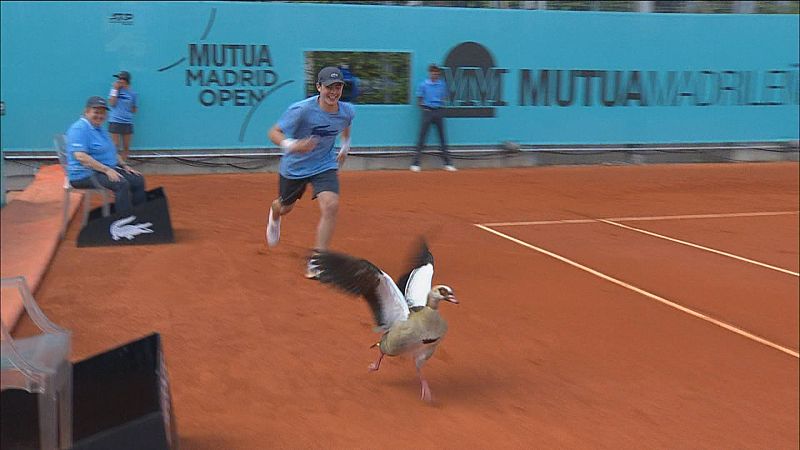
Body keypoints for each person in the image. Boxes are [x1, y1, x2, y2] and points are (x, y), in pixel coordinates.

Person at [265, 66, 355, 278]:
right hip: (295, 167)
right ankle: (275, 213)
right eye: (329, 87)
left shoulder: (347, 110)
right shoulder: (301, 110)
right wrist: (293, 145)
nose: (334, 92)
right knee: (285, 207)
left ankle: (317, 262)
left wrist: (345, 147)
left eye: (338, 87)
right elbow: (274, 132)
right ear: (319, 87)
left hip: (324, 165)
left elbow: (346, 124)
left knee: (331, 205)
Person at [66, 96, 146, 215]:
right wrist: (107, 170)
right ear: (86, 111)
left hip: (101, 170)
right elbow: (81, 156)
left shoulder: (99, 128)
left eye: (102, 113)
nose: (100, 116)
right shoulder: (79, 129)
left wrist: (124, 165)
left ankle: (139, 216)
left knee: (137, 179)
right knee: (121, 183)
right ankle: (124, 221)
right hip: (83, 175)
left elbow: (112, 151)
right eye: (96, 112)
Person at [411, 64, 456, 172]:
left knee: (442, 138)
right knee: (422, 137)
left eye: (437, 73)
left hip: (439, 111)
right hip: (427, 112)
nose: (435, 75)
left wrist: (440, 106)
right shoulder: (423, 85)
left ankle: (448, 164)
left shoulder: (442, 84)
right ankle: (415, 164)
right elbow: (419, 99)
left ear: (439, 74)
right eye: (433, 73)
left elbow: (444, 97)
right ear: (429, 73)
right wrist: (425, 108)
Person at [108, 71, 138, 162]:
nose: (118, 81)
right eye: (118, 79)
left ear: (126, 81)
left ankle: (123, 164)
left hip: (127, 122)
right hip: (115, 121)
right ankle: (114, 163)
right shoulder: (114, 90)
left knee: (126, 146)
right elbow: (111, 103)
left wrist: (127, 110)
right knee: (115, 145)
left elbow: (134, 109)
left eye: (120, 79)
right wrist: (115, 89)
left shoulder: (133, 93)